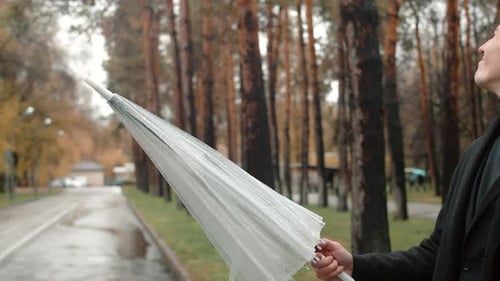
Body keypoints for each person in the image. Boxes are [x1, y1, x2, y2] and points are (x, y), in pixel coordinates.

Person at [311, 24, 500, 281]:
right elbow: (435, 254)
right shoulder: (475, 155)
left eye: (496, 36)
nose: (482, 47)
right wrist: (355, 265)